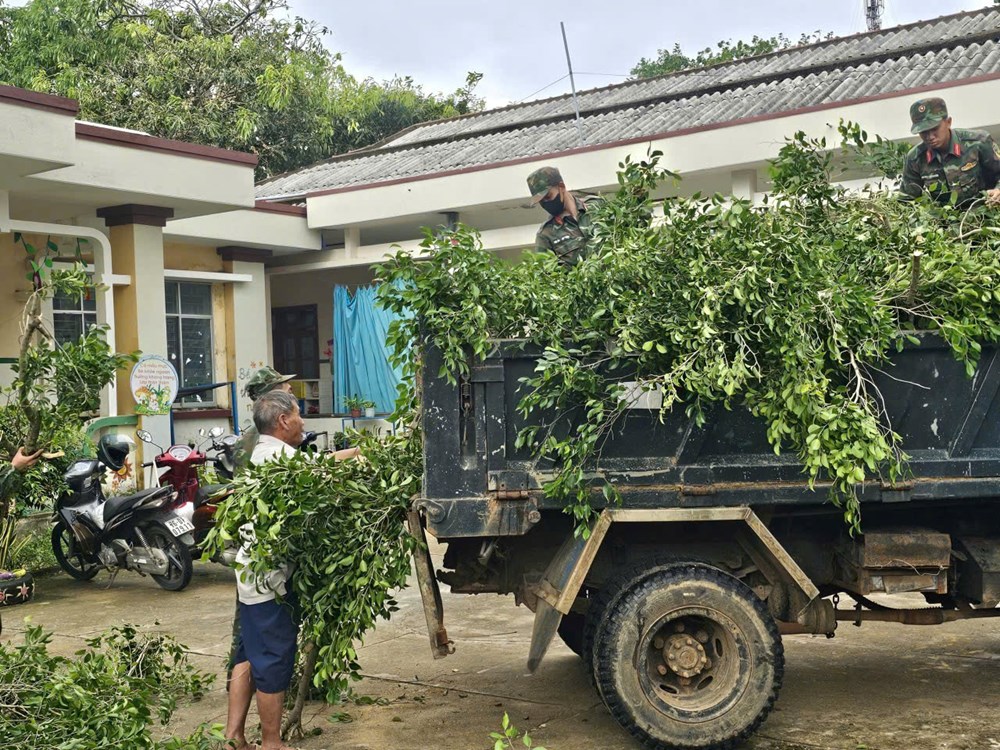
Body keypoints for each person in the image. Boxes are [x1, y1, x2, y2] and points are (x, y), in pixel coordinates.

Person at [224, 391, 358, 750]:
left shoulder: (264, 453)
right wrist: (361, 457)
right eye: (299, 414)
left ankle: (233, 735)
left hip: (252, 575)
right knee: (271, 661)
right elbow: (324, 471)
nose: (303, 421)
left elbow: (320, 465)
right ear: (283, 420)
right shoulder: (280, 460)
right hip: (269, 583)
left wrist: (357, 454)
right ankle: (271, 743)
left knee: (248, 654)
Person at [899, 97, 1000, 208]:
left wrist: (998, 191)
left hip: (987, 213)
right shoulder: (915, 158)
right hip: (945, 222)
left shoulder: (979, 142)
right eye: (923, 132)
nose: (930, 137)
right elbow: (907, 202)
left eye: (934, 129)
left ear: (948, 122)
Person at [527, 166, 598, 266]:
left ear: (561, 186)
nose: (545, 203)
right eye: (541, 201)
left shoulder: (596, 205)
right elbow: (546, 276)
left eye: (548, 196)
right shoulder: (545, 235)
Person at [232, 366, 297, 475]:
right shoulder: (253, 442)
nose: (293, 398)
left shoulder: (287, 431)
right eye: (289, 393)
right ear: (275, 397)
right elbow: (243, 484)